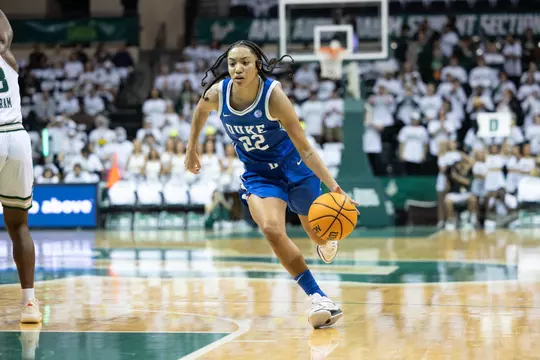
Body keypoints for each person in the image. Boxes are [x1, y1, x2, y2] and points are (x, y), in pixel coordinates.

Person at [185, 40, 358, 329]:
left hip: (297, 170)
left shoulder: (273, 96)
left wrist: (334, 187)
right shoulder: (218, 93)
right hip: (259, 175)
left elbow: (305, 148)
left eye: (244, 62)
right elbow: (199, 112)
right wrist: (192, 148)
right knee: (271, 229)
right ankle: (319, 297)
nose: (237, 68)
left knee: (318, 236)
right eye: (232, 63)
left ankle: (327, 239)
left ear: (257, 66)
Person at [0, 10, 41, 323]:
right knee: (19, 226)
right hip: (16, 138)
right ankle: (30, 304)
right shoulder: (8, 57)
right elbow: (5, 31)